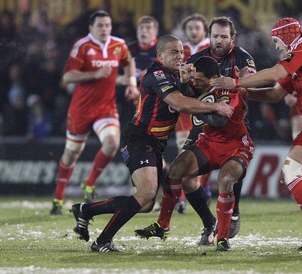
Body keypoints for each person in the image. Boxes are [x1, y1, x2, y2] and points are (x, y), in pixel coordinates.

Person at [69, 35, 233, 252]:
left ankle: (86, 210)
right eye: (174, 52)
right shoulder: (156, 74)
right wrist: (216, 107)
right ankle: (102, 241)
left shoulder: (176, 76)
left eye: (181, 52)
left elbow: (188, 96)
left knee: (146, 204)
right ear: (160, 55)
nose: (180, 56)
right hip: (139, 138)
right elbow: (179, 103)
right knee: (147, 193)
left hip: (156, 143)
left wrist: (187, 83)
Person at [210, 17, 302, 251]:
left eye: (277, 41)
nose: (276, 46)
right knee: (290, 173)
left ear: (286, 37)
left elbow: (274, 73)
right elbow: (274, 94)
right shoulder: (298, 60)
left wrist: (236, 82)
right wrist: (246, 92)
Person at [136, 56, 254, 251]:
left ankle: (223, 238)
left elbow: (219, 121)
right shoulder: (201, 86)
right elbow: (184, 94)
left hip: (235, 145)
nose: (195, 83)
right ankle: (162, 225)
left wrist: (191, 105)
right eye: (195, 79)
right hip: (208, 142)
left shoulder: (228, 90)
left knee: (225, 180)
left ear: (214, 77)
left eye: (199, 80)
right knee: (175, 170)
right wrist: (184, 83)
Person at [50, 10, 139, 215]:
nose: (104, 29)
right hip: (81, 109)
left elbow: (129, 62)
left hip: (106, 107)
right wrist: (95, 74)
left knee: (112, 144)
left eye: (107, 25)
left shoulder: (118, 45)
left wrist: (132, 84)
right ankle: (58, 198)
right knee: (71, 154)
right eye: (100, 26)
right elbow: (68, 76)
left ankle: (89, 184)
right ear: (91, 28)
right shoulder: (82, 46)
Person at [186, 16, 256, 238]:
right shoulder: (196, 59)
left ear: (232, 38)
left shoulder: (243, 58)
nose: (219, 40)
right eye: (215, 36)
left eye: (224, 36)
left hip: (232, 122)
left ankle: (233, 212)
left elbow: (252, 82)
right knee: (183, 174)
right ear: (209, 36)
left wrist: (237, 84)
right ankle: (208, 221)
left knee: (231, 171)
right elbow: (186, 89)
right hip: (203, 122)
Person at [175, 13, 211, 213]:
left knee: (208, 151)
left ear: (204, 30)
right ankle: (181, 198)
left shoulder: (212, 49)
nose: (193, 31)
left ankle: (203, 188)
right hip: (186, 106)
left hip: (208, 105)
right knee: (185, 151)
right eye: (190, 28)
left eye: (197, 28)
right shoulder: (181, 51)